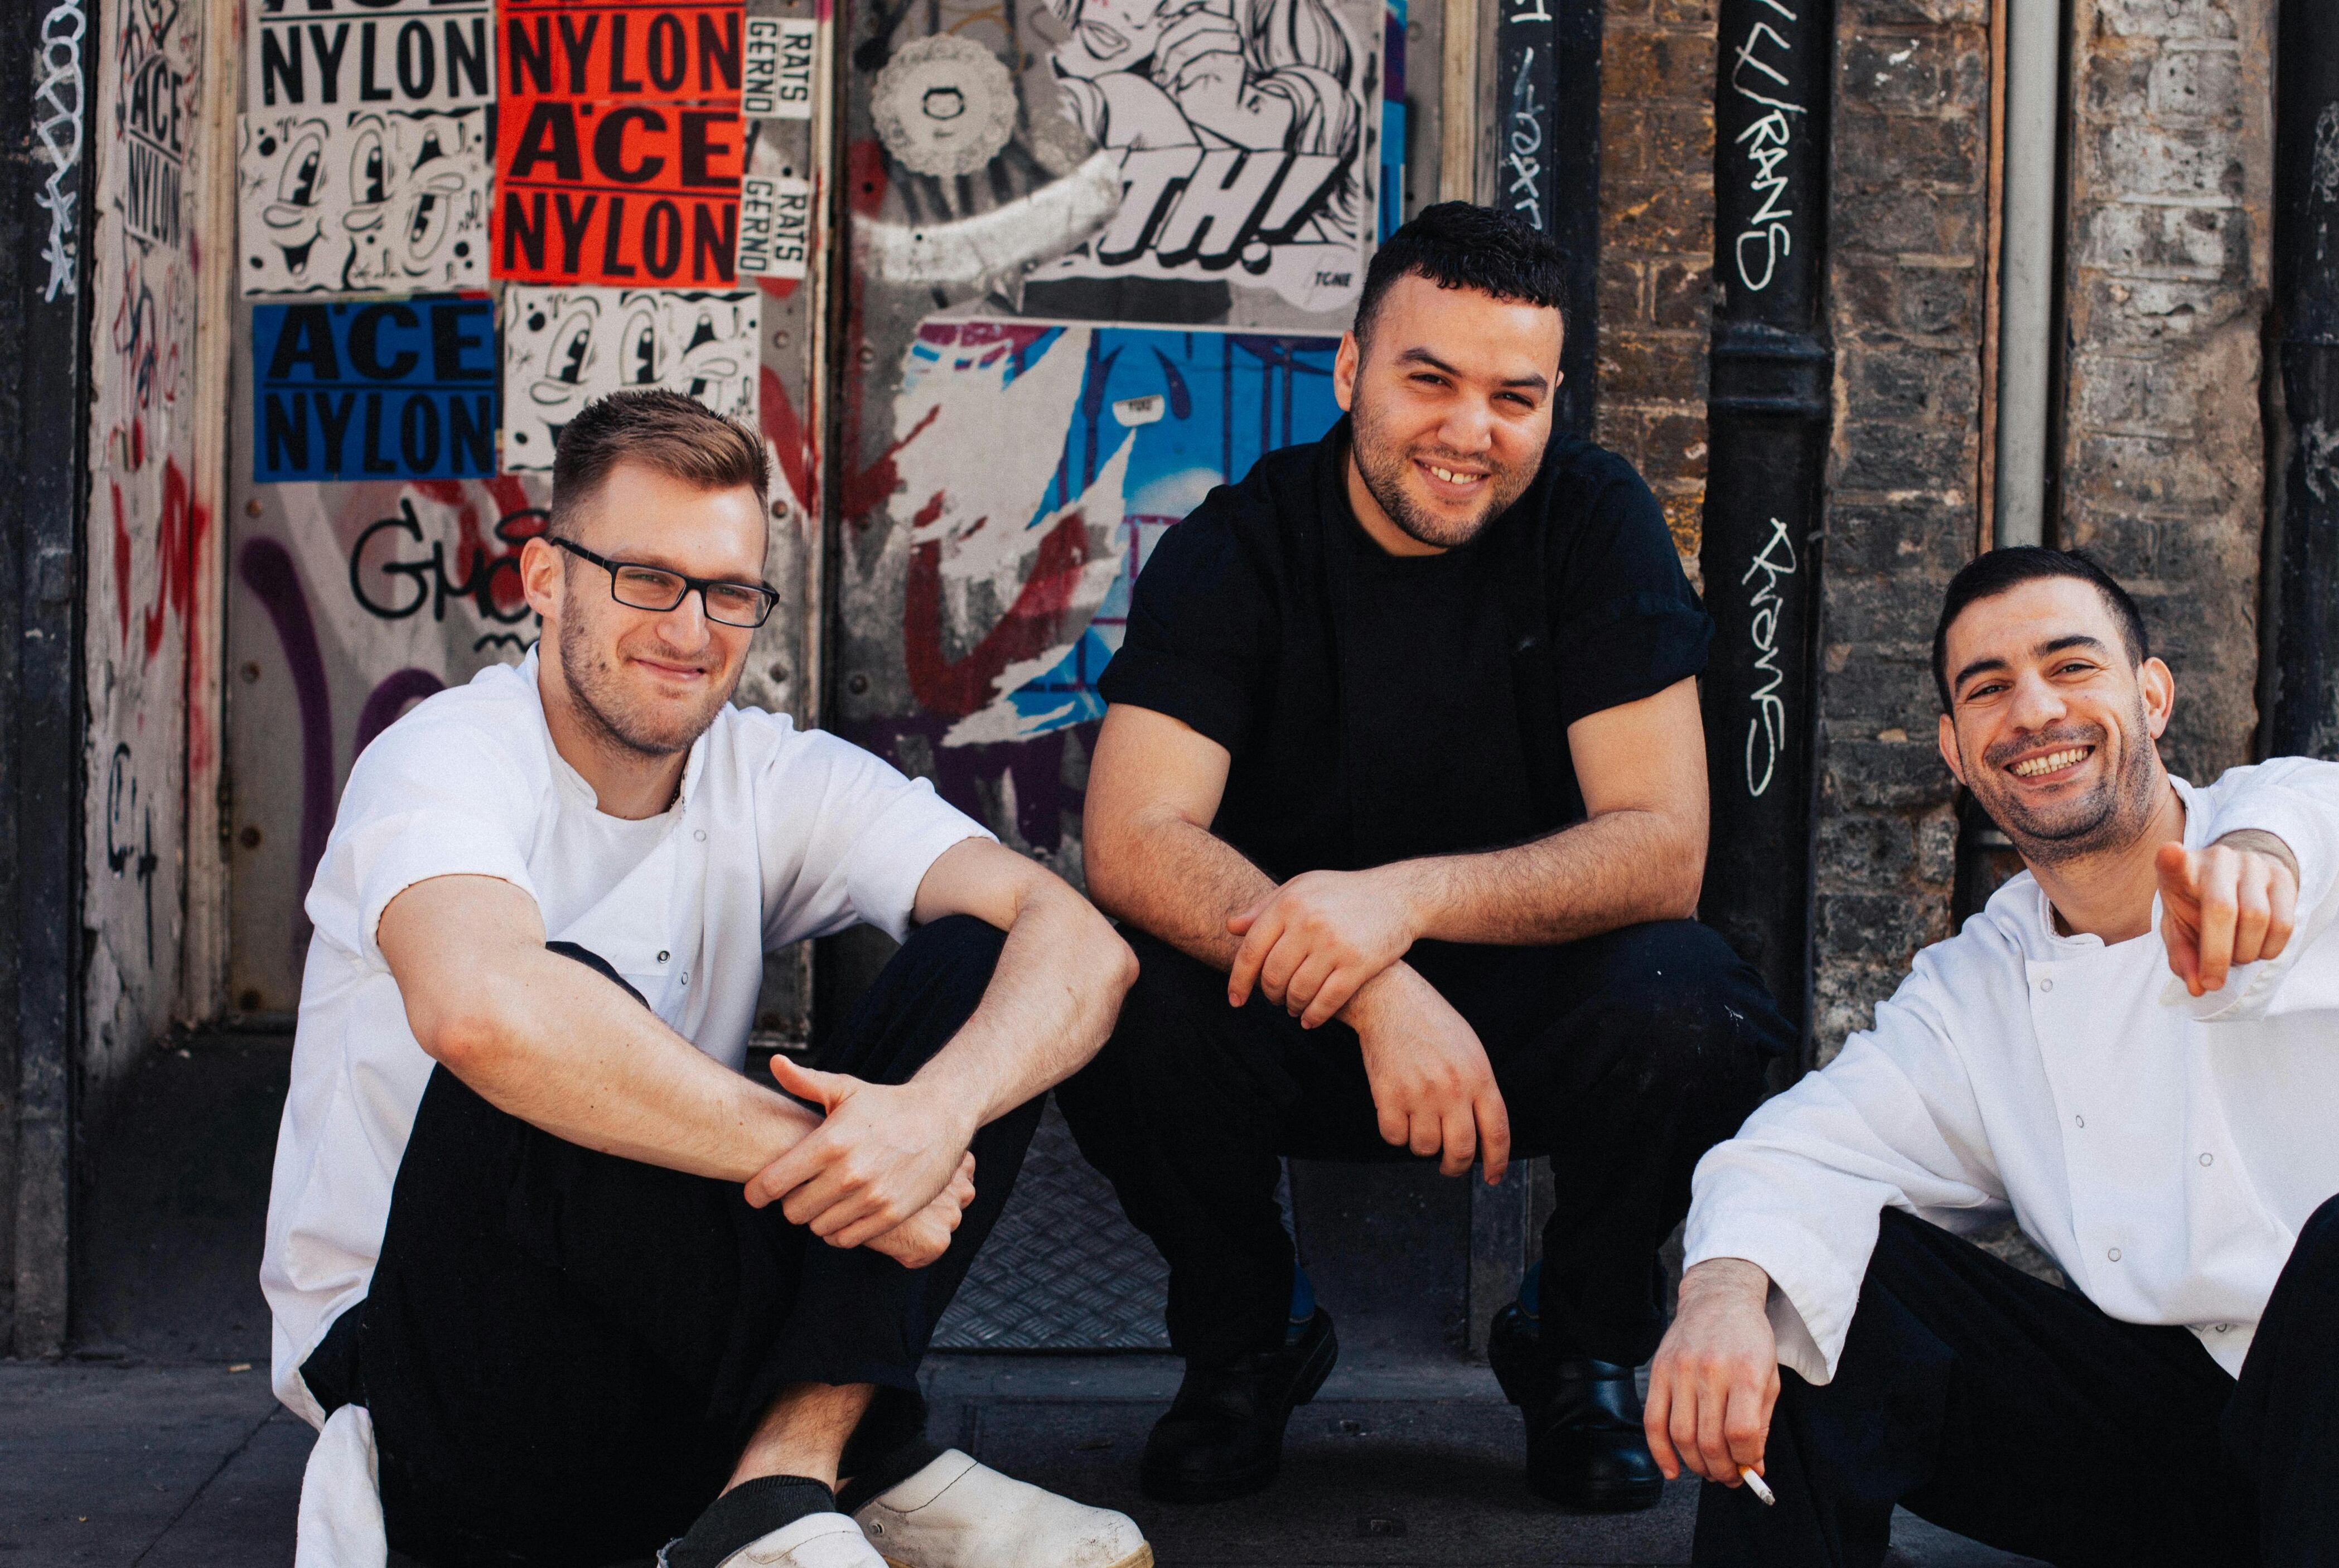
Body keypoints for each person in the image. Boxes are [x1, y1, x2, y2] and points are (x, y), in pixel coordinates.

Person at [260, 391, 1153, 1568]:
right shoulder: (442, 758)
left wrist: (927, 1119)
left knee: (988, 961)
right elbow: (480, 1012)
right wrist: (841, 1150)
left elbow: (1082, 943)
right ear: (544, 578)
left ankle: (784, 1478)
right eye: (644, 576)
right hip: (439, 1378)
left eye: (727, 591)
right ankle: (869, 1464)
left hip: (661, 1374)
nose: (689, 628)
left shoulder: (765, 773)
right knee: (552, 1015)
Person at [1645, 546, 2339, 1567]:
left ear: (2151, 697)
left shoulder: (2312, 827)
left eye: (2072, 667)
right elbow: (1802, 1152)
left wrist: (2255, 873)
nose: (2032, 711)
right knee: (1816, 1276)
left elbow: (2306, 835)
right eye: (1989, 689)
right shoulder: (1985, 982)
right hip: (2201, 1468)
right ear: (1956, 750)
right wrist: (1723, 1296)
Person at [1057, 202, 1791, 1513]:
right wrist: (1374, 981)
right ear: (1349, 374)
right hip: (1289, 1004)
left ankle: (1578, 1338)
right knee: (1109, 993)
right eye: (1429, 379)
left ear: (1555, 399)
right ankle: (1247, 1335)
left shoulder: (1591, 521)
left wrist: (1399, 905)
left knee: (1698, 1006)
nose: (1470, 431)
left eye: (1515, 395)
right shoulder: (1243, 543)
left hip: (1527, 1014)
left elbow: (1662, 848)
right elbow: (1129, 836)